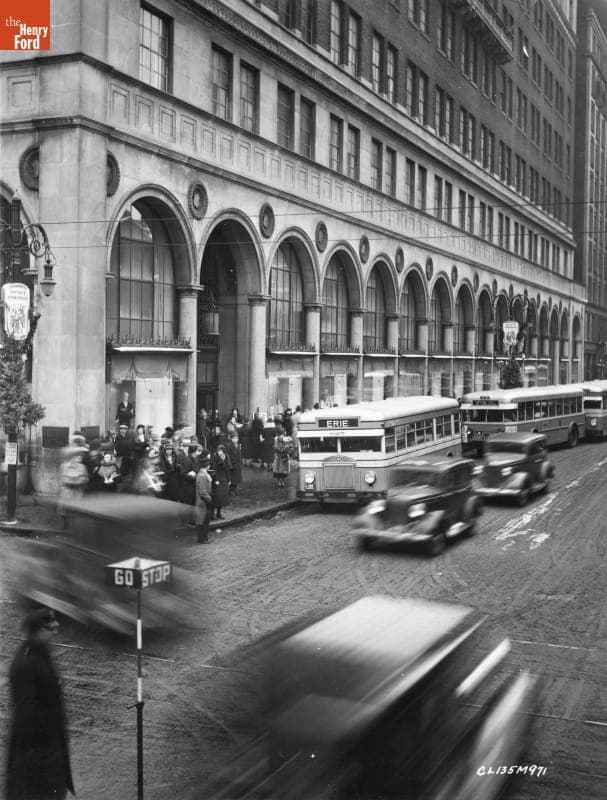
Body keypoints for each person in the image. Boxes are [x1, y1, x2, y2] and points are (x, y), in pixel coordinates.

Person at [6, 608, 75, 800]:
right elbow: (25, 714)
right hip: (37, 749)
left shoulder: (41, 651)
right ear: (36, 631)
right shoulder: (24, 664)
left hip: (51, 743)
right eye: (49, 628)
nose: (55, 631)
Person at [194, 450, 213, 543]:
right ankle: (202, 538)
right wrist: (209, 498)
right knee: (203, 521)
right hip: (203, 501)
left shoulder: (203, 474)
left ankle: (204, 537)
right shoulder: (202, 476)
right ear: (207, 465)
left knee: (205, 520)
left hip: (204, 501)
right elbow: (202, 491)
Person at [210, 444, 231, 519]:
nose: (220, 452)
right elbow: (213, 469)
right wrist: (215, 479)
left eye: (221, 451)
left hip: (224, 478)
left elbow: (228, 469)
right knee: (216, 497)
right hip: (217, 478)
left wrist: (229, 480)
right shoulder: (214, 457)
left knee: (222, 497)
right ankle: (212, 513)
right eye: (219, 451)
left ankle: (219, 513)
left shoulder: (227, 457)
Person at [272, 423, 294, 489]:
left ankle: (281, 482)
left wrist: (285, 450)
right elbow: (275, 447)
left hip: (281, 457)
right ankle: (281, 482)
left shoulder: (285, 439)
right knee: (281, 470)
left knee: (280, 471)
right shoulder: (279, 439)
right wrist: (283, 450)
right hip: (281, 457)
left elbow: (290, 446)